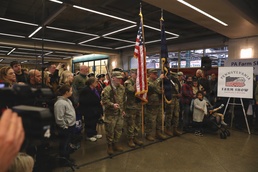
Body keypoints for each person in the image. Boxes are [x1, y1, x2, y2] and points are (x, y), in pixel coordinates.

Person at [101, 71, 126, 155]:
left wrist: (123, 110)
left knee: (118, 130)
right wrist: (112, 104)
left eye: (120, 78)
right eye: (118, 78)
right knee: (110, 131)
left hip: (119, 113)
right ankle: (109, 146)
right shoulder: (107, 89)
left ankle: (116, 143)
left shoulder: (122, 88)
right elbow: (104, 101)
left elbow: (123, 100)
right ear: (113, 78)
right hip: (111, 114)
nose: (120, 80)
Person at [54, 84, 76, 161]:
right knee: (64, 143)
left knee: (67, 143)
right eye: (70, 91)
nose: (72, 92)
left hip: (71, 126)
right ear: (66, 92)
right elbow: (59, 118)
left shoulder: (68, 100)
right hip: (65, 127)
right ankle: (63, 159)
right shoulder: (60, 103)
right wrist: (64, 126)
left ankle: (67, 157)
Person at [79, 77, 103, 142]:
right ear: (91, 83)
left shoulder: (94, 89)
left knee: (94, 122)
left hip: (95, 109)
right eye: (96, 82)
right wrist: (97, 101)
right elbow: (84, 100)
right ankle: (89, 135)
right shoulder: (85, 90)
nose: (97, 83)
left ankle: (94, 133)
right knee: (89, 122)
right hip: (89, 110)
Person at [145, 69, 166, 141]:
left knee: (159, 119)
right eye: (154, 74)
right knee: (151, 120)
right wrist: (159, 79)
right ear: (150, 74)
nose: (156, 75)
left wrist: (161, 91)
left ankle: (158, 132)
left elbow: (157, 90)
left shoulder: (156, 81)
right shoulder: (147, 81)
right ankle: (148, 134)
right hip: (151, 104)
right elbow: (152, 87)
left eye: (156, 74)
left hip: (158, 103)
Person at [124, 69, 143, 148]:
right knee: (131, 123)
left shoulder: (140, 82)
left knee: (138, 122)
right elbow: (132, 90)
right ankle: (130, 139)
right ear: (132, 74)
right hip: (131, 107)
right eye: (135, 74)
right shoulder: (128, 82)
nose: (137, 75)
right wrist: (137, 82)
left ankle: (135, 137)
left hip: (138, 105)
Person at [164, 73, 182, 137]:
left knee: (176, 114)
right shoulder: (168, 82)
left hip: (176, 100)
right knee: (169, 115)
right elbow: (167, 93)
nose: (176, 77)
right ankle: (167, 129)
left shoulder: (177, 82)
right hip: (170, 100)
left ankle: (175, 128)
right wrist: (176, 95)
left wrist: (179, 95)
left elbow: (179, 90)